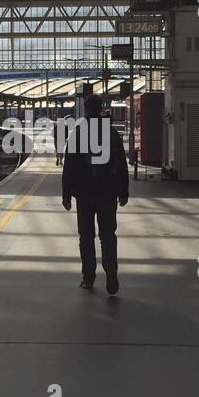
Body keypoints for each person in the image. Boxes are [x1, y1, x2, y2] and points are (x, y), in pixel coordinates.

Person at [61, 93, 129, 295]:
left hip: (84, 194)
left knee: (86, 236)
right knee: (108, 234)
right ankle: (111, 275)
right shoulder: (111, 133)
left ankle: (88, 278)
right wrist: (124, 190)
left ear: (86, 109)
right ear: (100, 108)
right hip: (108, 192)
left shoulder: (78, 133)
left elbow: (69, 166)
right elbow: (122, 164)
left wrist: (66, 194)